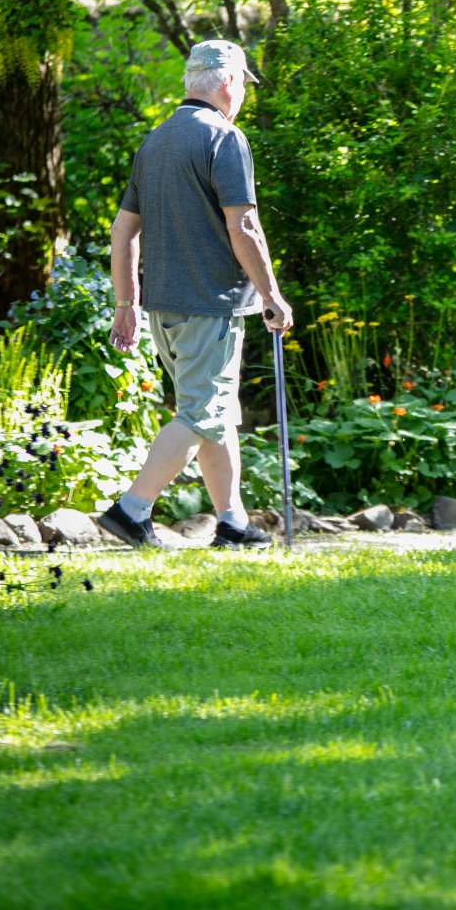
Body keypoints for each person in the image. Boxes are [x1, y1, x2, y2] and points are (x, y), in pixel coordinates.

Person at [100, 39, 293, 550]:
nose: (244, 97)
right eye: (243, 86)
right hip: (211, 304)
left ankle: (232, 522)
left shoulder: (156, 141)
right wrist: (271, 294)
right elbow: (244, 225)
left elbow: (122, 232)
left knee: (217, 412)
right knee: (201, 412)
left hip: (164, 308)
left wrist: (127, 304)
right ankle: (131, 509)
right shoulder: (224, 138)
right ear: (229, 81)